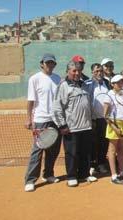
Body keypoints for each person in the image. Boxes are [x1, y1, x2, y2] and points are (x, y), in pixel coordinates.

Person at [52, 61, 96, 187]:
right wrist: (62, 125)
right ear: (68, 72)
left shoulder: (84, 85)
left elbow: (89, 104)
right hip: (71, 128)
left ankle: (84, 174)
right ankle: (71, 176)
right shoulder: (63, 85)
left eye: (79, 71)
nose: (77, 73)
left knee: (85, 152)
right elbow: (56, 108)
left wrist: (92, 120)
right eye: (74, 71)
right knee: (71, 153)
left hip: (86, 126)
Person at [24, 53, 62, 192]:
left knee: (54, 150)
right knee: (38, 151)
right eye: (47, 63)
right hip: (40, 120)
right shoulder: (34, 79)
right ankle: (30, 180)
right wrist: (29, 118)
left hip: (56, 120)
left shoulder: (58, 78)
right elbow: (30, 101)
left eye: (52, 63)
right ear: (42, 64)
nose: (50, 65)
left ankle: (48, 174)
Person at [87, 63, 110, 176]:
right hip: (92, 119)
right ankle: (92, 165)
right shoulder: (88, 84)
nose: (99, 73)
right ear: (92, 72)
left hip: (105, 119)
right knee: (92, 143)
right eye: (96, 71)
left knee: (104, 142)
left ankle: (101, 163)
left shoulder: (107, 83)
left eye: (100, 70)